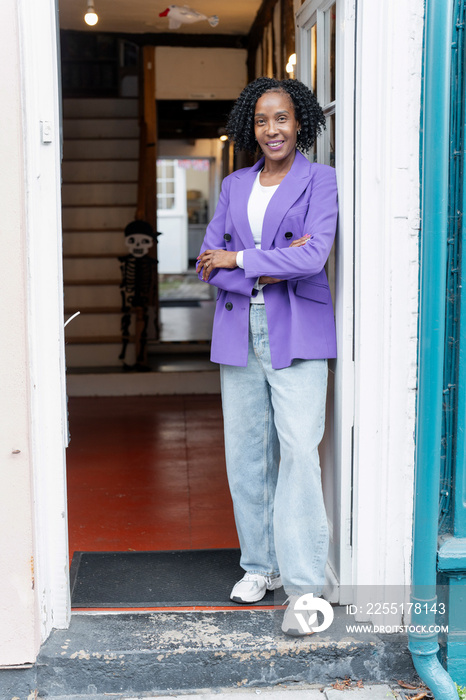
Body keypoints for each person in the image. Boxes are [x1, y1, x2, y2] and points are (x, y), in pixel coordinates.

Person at [196, 77, 338, 636]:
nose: (271, 130)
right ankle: (261, 566)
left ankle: (304, 588)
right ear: (249, 127)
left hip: (297, 329)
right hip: (239, 329)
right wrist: (252, 262)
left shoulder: (319, 181)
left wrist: (239, 257)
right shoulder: (235, 184)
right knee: (247, 455)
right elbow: (209, 261)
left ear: (299, 121)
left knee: (299, 451)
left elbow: (314, 255)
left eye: (281, 118)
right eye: (261, 121)